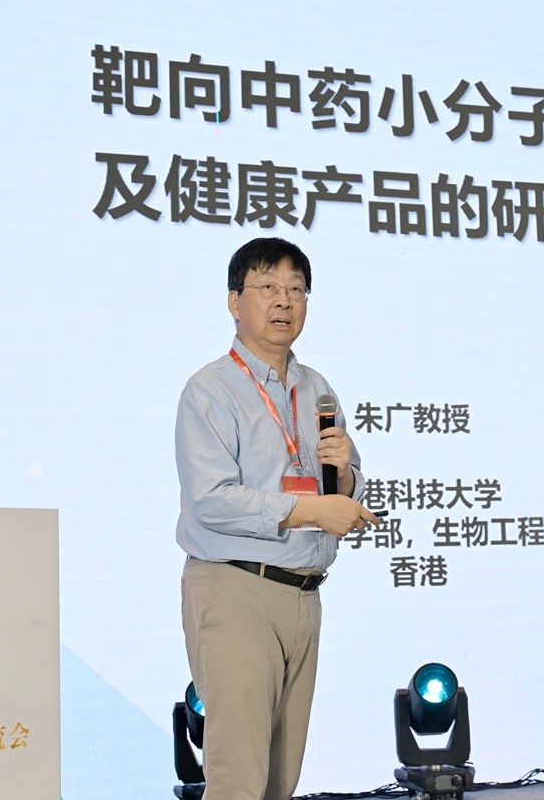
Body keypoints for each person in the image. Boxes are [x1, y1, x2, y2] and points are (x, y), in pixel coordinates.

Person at [176, 237, 378, 800]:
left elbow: (344, 478)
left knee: (280, 779)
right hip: (237, 587)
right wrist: (313, 509)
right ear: (234, 301)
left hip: (304, 593)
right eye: (267, 287)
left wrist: (346, 474)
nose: (284, 301)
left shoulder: (316, 387)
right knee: (239, 778)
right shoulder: (210, 390)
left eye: (296, 289)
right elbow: (212, 499)